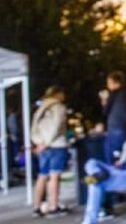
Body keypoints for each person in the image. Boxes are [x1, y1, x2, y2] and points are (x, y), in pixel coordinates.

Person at [31, 85, 70, 218]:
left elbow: (34, 127)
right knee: (55, 176)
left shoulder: (41, 107)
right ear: (58, 94)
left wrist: (38, 143)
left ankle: (37, 207)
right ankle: (53, 207)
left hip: (42, 145)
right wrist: (47, 142)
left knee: (42, 175)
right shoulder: (58, 107)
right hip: (56, 145)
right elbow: (57, 126)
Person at [100, 71, 126, 164]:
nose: (108, 86)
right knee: (120, 154)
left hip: (115, 128)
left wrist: (104, 102)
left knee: (112, 155)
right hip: (122, 127)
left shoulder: (114, 94)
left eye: (109, 83)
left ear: (115, 83)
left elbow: (105, 111)